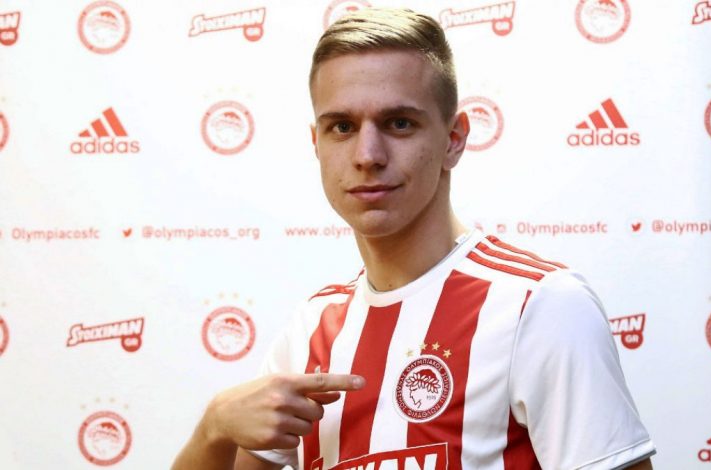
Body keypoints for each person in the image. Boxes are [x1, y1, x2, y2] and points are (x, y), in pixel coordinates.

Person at [173, 7, 656, 470]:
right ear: (316, 143)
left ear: (454, 139)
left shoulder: (539, 306)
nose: (367, 154)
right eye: (342, 127)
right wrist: (213, 428)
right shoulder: (312, 329)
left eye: (399, 123)